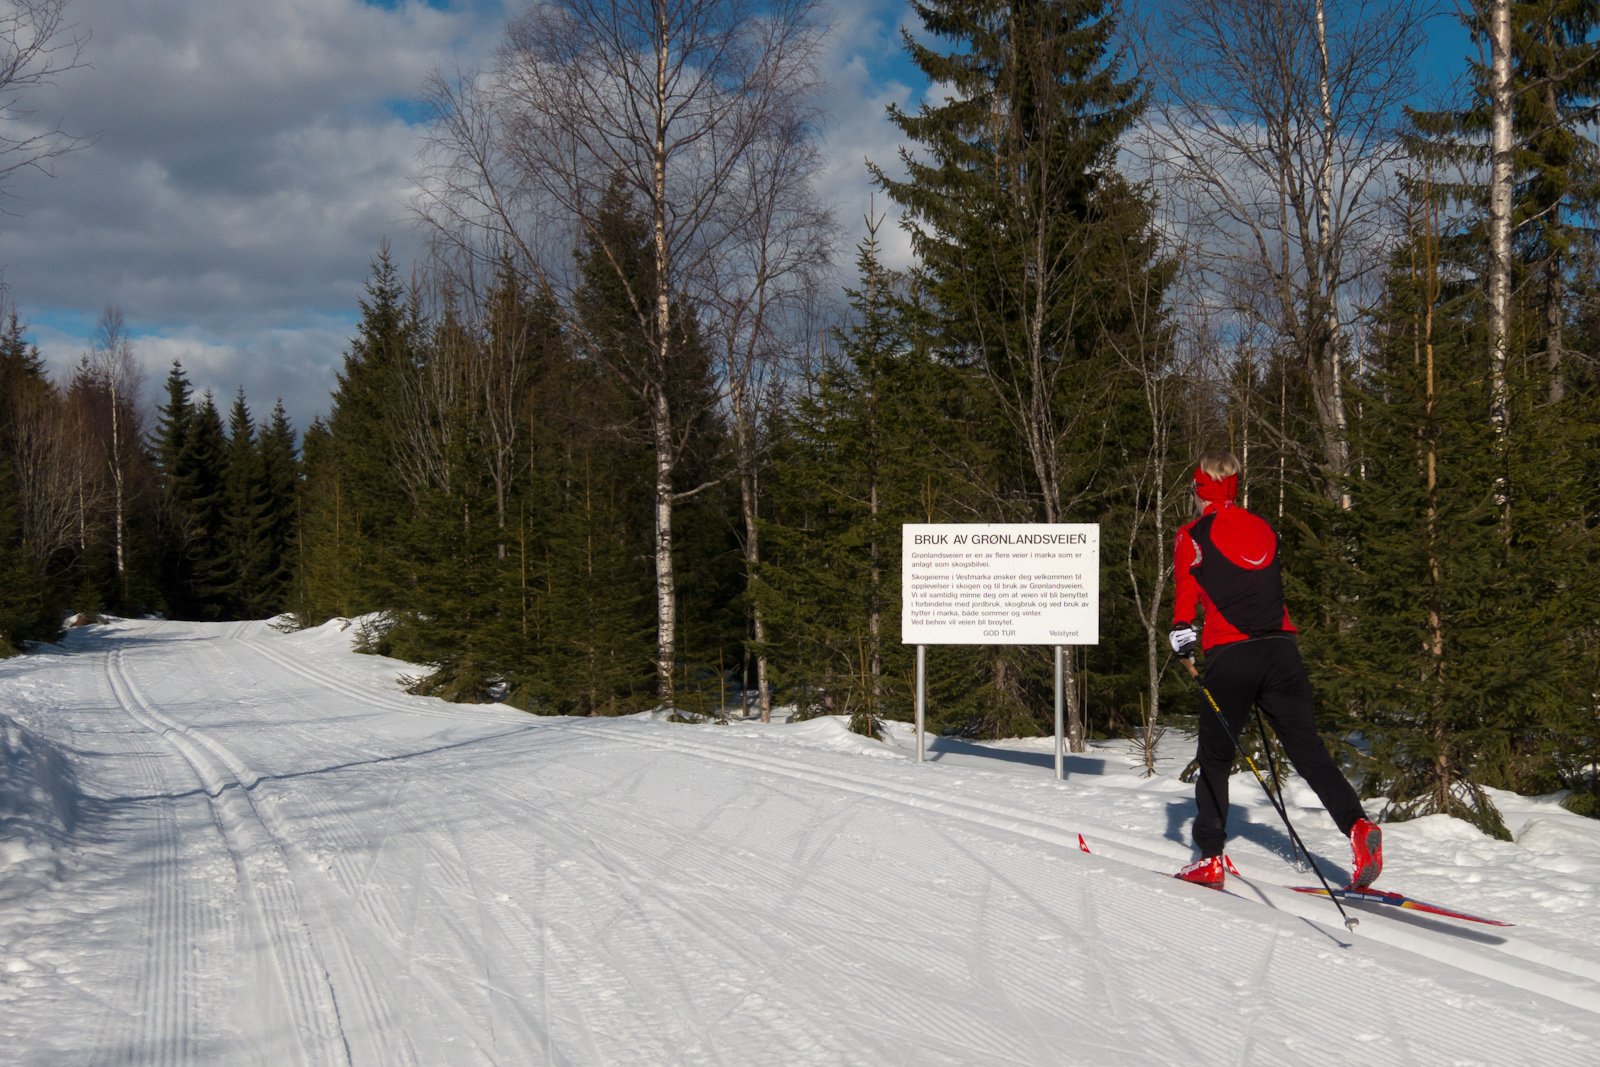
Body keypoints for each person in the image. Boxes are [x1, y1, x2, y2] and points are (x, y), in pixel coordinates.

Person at [1168, 450, 1382, 889]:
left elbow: (1185, 597)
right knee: (1309, 753)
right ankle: (1357, 826)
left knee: (1215, 758)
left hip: (1231, 656)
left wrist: (1181, 635)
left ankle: (1209, 857)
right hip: (1283, 653)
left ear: (1200, 490)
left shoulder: (1192, 534)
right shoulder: (1265, 528)